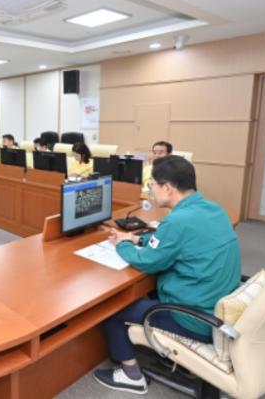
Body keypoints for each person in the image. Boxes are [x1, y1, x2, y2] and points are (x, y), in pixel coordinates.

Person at [93, 156, 241, 394]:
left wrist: (123, 244)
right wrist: (136, 238)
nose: (150, 189)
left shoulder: (177, 221)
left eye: (152, 183)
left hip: (196, 319)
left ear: (168, 188)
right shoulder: (214, 209)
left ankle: (131, 375)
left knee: (112, 309)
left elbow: (147, 262)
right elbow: (172, 241)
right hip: (217, 307)